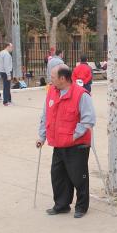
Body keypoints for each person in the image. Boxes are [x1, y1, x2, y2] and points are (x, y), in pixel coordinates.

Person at [36, 66, 96, 218]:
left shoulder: (81, 95)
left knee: (78, 176)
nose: (51, 80)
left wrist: (74, 136)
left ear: (63, 78)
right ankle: (62, 205)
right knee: (58, 175)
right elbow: (46, 116)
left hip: (77, 145)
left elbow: (88, 120)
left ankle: (82, 206)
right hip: (58, 143)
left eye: (53, 77)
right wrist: (42, 137)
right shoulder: (51, 92)